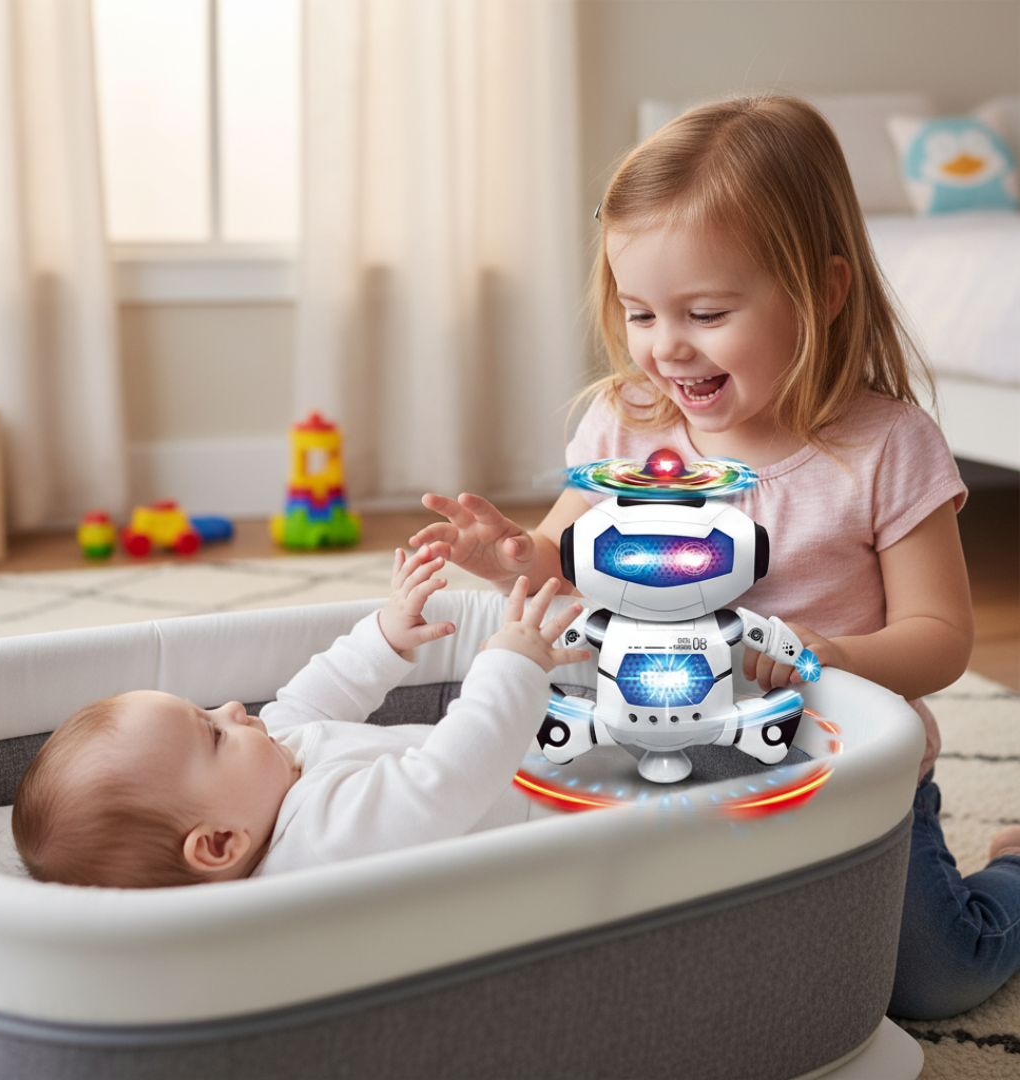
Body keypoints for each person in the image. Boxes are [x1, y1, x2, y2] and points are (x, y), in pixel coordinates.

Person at [410, 92, 1020, 1021]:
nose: (666, 347)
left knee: (938, 982)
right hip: (664, 755)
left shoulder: (886, 446)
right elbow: (563, 557)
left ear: (823, 290)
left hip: (843, 768)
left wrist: (835, 654)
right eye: (641, 312)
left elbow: (940, 637)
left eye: (703, 311)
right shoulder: (631, 417)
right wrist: (511, 555)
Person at [12, 546, 588, 889]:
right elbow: (445, 781)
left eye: (207, 709)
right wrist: (506, 667)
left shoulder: (270, 765)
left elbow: (319, 693)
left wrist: (385, 635)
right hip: (573, 826)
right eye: (212, 733)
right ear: (218, 844)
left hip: (557, 762)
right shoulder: (319, 844)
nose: (232, 708)